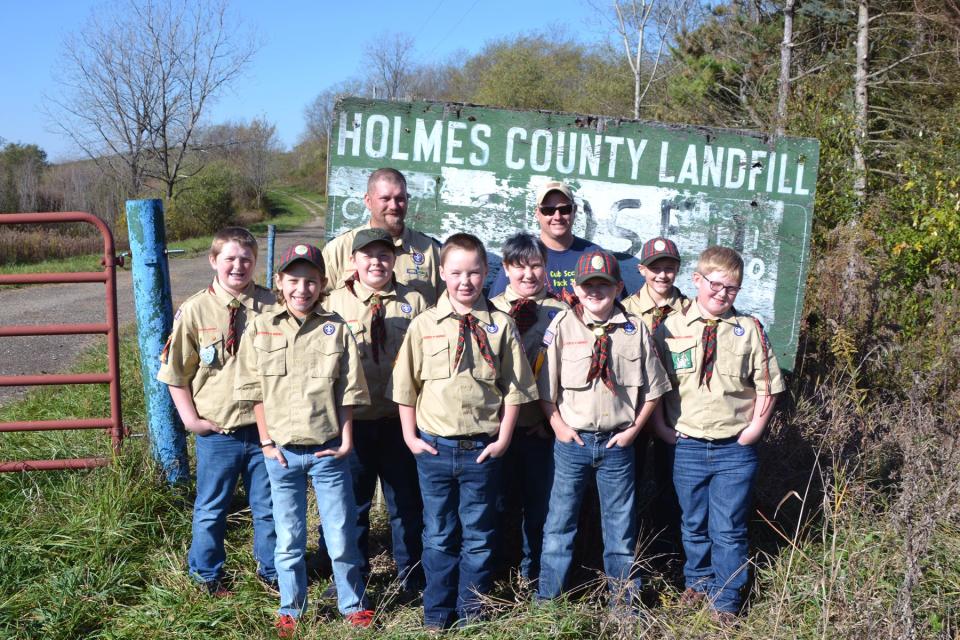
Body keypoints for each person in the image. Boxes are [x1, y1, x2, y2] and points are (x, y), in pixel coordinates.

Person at [389, 233, 538, 629]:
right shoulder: (423, 326)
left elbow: (515, 390)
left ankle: (471, 610)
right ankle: (437, 613)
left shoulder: (501, 326)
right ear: (442, 273)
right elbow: (405, 388)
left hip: (482, 451)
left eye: (474, 272)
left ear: (487, 274)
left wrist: (504, 439)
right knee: (438, 534)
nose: (465, 281)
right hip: (434, 449)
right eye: (456, 273)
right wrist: (410, 438)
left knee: (479, 534)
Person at [234, 243, 374, 636]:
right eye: (293, 280)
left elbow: (348, 392)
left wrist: (346, 442)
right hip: (281, 454)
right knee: (289, 537)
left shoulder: (336, 328)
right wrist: (265, 443)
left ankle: (352, 603)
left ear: (322, 284)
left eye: (310, 281)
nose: (302, 289)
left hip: (328, 451)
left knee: (341, 534)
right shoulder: (262, 328)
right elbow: (254, 392)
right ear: (279, 283)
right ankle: (291, 608)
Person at [651, 245, 784, 624]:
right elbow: (657, 384)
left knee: (727, 528)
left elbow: (768, 386)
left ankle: (726, 599)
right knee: (692, 523)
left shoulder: (749, 330)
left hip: (733, 450)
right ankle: (698, 581)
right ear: (697, 281)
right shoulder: (670, 328)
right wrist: (661, 427)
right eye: (716, 285)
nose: (723, 294)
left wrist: (754, 429)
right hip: (687, 445)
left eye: (732, 289)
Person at [536, 250, 670, 606]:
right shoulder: (562, 327)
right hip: (572, 443)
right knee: (559, 527)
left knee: (620, 532)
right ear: (577, 290)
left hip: (618, 444)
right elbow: (544, 390)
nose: (595, 292)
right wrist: (559, 427)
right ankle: (548, 603)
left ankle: (624, 606)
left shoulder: (634, 328)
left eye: (604, 285)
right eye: (588, 286)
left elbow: (654, 391)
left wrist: (633, 431)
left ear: (619, 287)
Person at [157, 226, 277, 596]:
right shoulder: (195, 310)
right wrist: (191, 420)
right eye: (230, 259)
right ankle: (206, 574)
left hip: (265, 432)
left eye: (246, 259)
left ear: (256, 263)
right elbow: (176, 373)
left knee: (269, 508)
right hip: (218, 432)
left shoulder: (273, 307)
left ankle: (272, 571)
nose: (238, 266)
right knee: (211, 508)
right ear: (213, 261)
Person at [324, 228, 428, 595]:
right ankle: (352, 578)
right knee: (352, 507)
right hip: (353, 422)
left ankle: (411, 577)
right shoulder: (333, 303)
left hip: (399, 422)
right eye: (368, 255)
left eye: (384, 255)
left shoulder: (414, 302)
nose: (376, 262)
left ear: (394, 260)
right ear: (353, 261)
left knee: (406, 506)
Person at [489, 232, 568, 585]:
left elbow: (571, 373)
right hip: (496, 429)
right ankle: (501, 573)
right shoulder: (488, 311)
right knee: (499, 504)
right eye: (519, 266)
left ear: (546, 267)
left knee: (540, 507)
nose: (528, 275)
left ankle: (532, 572)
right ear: (506, 269)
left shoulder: (562, 313)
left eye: (536, 265)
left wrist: (553, 422)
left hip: (542, 429)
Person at [622, 237, 686, 562]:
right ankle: (626, 557)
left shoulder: (691, 311)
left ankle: (667, 557)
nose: (662, 275)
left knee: (670, 489)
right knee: (626, 491)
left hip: (674, 415)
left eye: (669, 267)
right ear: (642, 270)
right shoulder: (624, 311)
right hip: (632, 415)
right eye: (655, 268)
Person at [322, 167, 442, 304]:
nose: (394, 206)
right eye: (385, 198)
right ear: (368, 201)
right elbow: (320, 305)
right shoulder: (338, 249)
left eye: (400, 199)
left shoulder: (431, 251)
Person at [488, 180, 603, 297]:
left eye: (564, 210)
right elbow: (496, 308)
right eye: (548, 210)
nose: (557, 217)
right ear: (537, 213)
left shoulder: (595, 255)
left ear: (574, 210)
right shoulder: (521, 255)